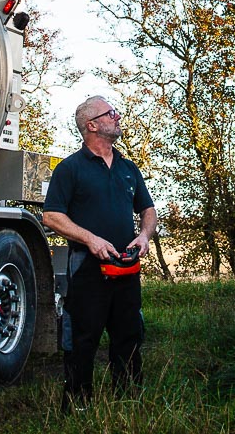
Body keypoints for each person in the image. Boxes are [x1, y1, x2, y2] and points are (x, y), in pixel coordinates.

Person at [42, 95, 156, 402]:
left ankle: (129, 399)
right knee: (83, 338)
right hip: (87, 268)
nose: (117, 117)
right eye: (110, 113)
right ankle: (78, 402)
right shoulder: (70, 169)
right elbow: (52, 215)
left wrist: (144, 236)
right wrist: (91, 239)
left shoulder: (128, 168)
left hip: (127, 268)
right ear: (92, 125)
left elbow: (148, 209)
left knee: (129, 336)